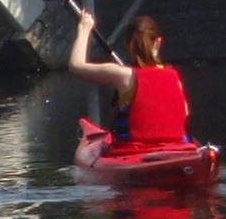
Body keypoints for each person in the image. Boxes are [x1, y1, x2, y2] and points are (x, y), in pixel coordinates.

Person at [65, 9, 191, 151]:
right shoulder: (174, 76)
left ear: (128, 45)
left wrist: (84, 29)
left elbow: (75, 65)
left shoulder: (122, 75)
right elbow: (185, 113)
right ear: (158, 43)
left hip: (134, 151)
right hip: (177, 149)